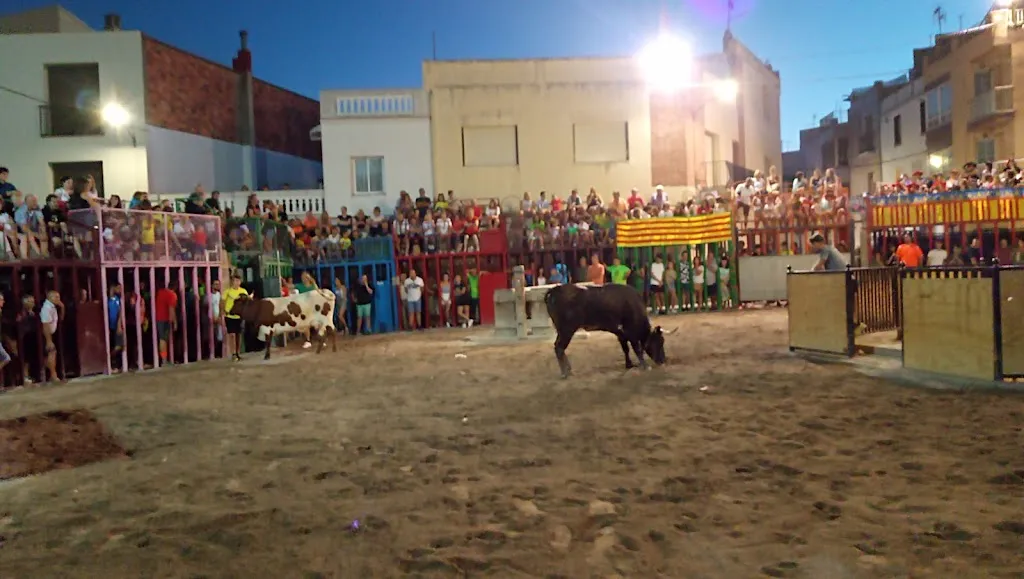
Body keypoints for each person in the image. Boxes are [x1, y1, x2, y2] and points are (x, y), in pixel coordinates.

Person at [39, 290, 63, 383]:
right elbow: (45, 324)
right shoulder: (47, 308)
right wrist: (49, 340)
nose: (58, 299)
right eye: (56, 297)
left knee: (51, 354)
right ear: (50, 298)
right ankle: (53, 375)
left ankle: (52, 375)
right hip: (46, 334)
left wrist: (63, 307)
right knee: (51, 353)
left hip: (51, 333)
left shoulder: (52, 307)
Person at [222, 274, 248, 361]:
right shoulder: (227, 291)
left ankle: (238, 352)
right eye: (235, 281)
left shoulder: (243, 291)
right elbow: (222, 302)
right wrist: (222, 312)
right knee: (232, 334)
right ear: (232, 282)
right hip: (229, 315)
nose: (236, 283)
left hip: (239, 317)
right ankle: (233, 353)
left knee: (238, 335)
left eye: (238, 281)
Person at [154, 281, 178, 366]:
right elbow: (172, 309)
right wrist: (174, 322)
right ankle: (164, 360)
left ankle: (163, 359)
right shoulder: (172, 295)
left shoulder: (160, 292)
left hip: (158, 318)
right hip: (165, 319)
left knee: (161, 339)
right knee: (163, 340)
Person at [108, 283, 125, 371]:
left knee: (119, 345)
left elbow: (120, 312)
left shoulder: (118, 299)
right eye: (118, 288)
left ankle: (116, 363)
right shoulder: (107, 299)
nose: (120, 290)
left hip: (116, 326)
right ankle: (111, 363)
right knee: (112, 345)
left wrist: (119, 325)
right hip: (109, 326)